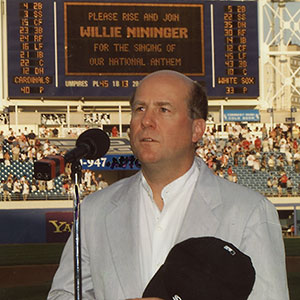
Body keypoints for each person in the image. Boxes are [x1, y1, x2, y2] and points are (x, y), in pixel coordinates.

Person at [48, 70, 289, 300]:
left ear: (197, 129)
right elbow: (64, 294)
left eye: (163, 109)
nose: (146, 121)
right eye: (139, 108)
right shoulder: (94, 210)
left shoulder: (249, 212)